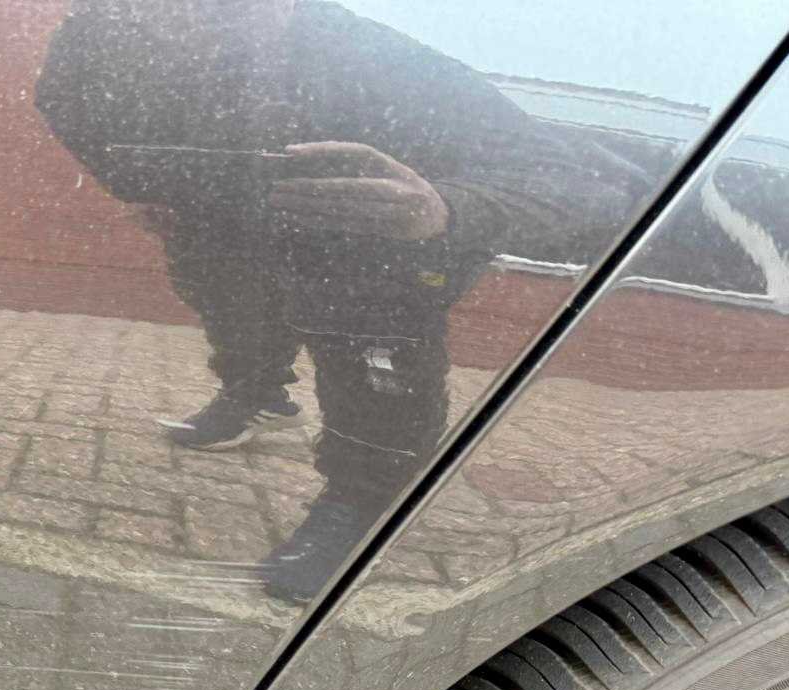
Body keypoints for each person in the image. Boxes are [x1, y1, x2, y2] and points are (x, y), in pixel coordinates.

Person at [36, 0, 640, 600]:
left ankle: (362, 499)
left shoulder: (376, 60)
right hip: (226, 218)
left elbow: (582, 183)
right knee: (226, 298)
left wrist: (446, 210)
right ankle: (257, 394)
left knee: (369, 340)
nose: (189, 19)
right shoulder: (95, 40)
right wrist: (146, 185)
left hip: (378, 241)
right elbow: (68, 108)